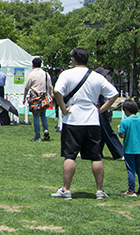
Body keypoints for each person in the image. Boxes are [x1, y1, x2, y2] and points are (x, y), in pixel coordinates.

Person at [51, 47, 118, 200]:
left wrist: (63, 108)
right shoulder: (96, 76)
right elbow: (114, 94)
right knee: (96, 156)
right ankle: (99, 190)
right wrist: (101, 110)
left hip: (73, 119)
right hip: (92, 120)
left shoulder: (66, 74)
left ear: (74, 59)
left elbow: (57, 92)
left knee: (70, 155)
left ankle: (66, 189)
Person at [23, 57, 53, 142]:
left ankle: (37, 136)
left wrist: (24, 97)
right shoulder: (46, 74)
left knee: (36, 117)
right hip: (43, 97)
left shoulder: (31, 74)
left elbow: (26, 87)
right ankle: (45, 129)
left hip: (34, 98)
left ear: (33, 64)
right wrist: (51, 95)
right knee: (43, 115)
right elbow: (50, 85)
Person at [118, 99, 140, 197]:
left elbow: (122, 135)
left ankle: (131, 190)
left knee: (131, 170)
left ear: (126, 110)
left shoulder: (124, 121)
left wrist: (119, 129)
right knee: (139, 170)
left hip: (129, 149)